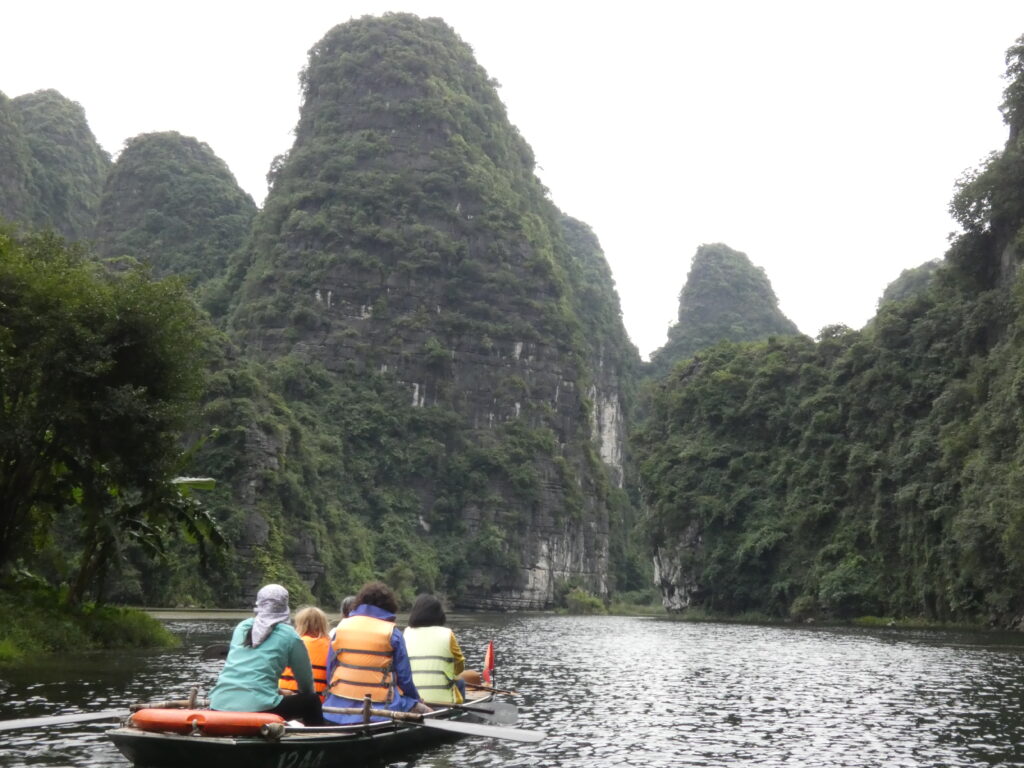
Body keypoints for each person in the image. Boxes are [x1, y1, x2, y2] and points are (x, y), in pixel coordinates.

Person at [209, 584, 325, 725]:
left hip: (218, 704)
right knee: (312, 701)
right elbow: (305, 682)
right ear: (285, 605)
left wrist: (277, 691)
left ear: (259, 604)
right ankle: (315, 737)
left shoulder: (242, 627)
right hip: (259, 708)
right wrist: (303, 693)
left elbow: (247, 672)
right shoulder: (289, 634)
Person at [323, 581, 430, 724]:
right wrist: (415, 700)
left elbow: (330, 668)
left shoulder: (341, 628)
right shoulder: (392, 633)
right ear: (389, 606)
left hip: (335, 708)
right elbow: (405, 678)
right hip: (381, 709)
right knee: (426, 712)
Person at [403, 593, 466, 704]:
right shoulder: (447, 634)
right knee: (460, 682)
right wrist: (449, 674)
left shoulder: (406, 633)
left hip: (413, 700)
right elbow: (460, 665)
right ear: (439, 614)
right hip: (443, 702)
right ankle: (460, 711)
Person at [279, 606, 330, 699]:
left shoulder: (289, 642)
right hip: (316, 699)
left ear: (299, 624)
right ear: (323, 624)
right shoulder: (330, 646)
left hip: (284, 697)